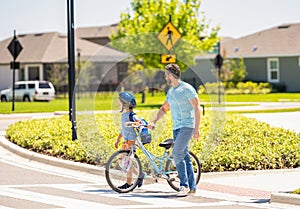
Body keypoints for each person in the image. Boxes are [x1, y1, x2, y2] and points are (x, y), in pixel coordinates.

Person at [152, 64, 201, 197]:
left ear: (170, 75)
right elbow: (164, 109)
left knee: (177, 153)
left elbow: (197, 108)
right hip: (176, 128)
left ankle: (183, 185)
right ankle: (192, 187)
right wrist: (154, 121)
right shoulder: (171, 91)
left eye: (166, 74)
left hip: (187, 126)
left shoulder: (187, 89)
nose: (165, 77)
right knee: (184, 156)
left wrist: (196, 129)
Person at [115, 92, 145, 189]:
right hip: (125, 141)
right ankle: (140, 175)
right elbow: (123, 130)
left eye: (120, 102)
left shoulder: (132, 115)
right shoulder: (124, 115)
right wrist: (118, 140)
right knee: (122, 161)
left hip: (132, 141)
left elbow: (139, 122)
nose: (118, 103)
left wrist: (137, 123)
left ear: (125, 104)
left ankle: (129, 184)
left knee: (127, 163)